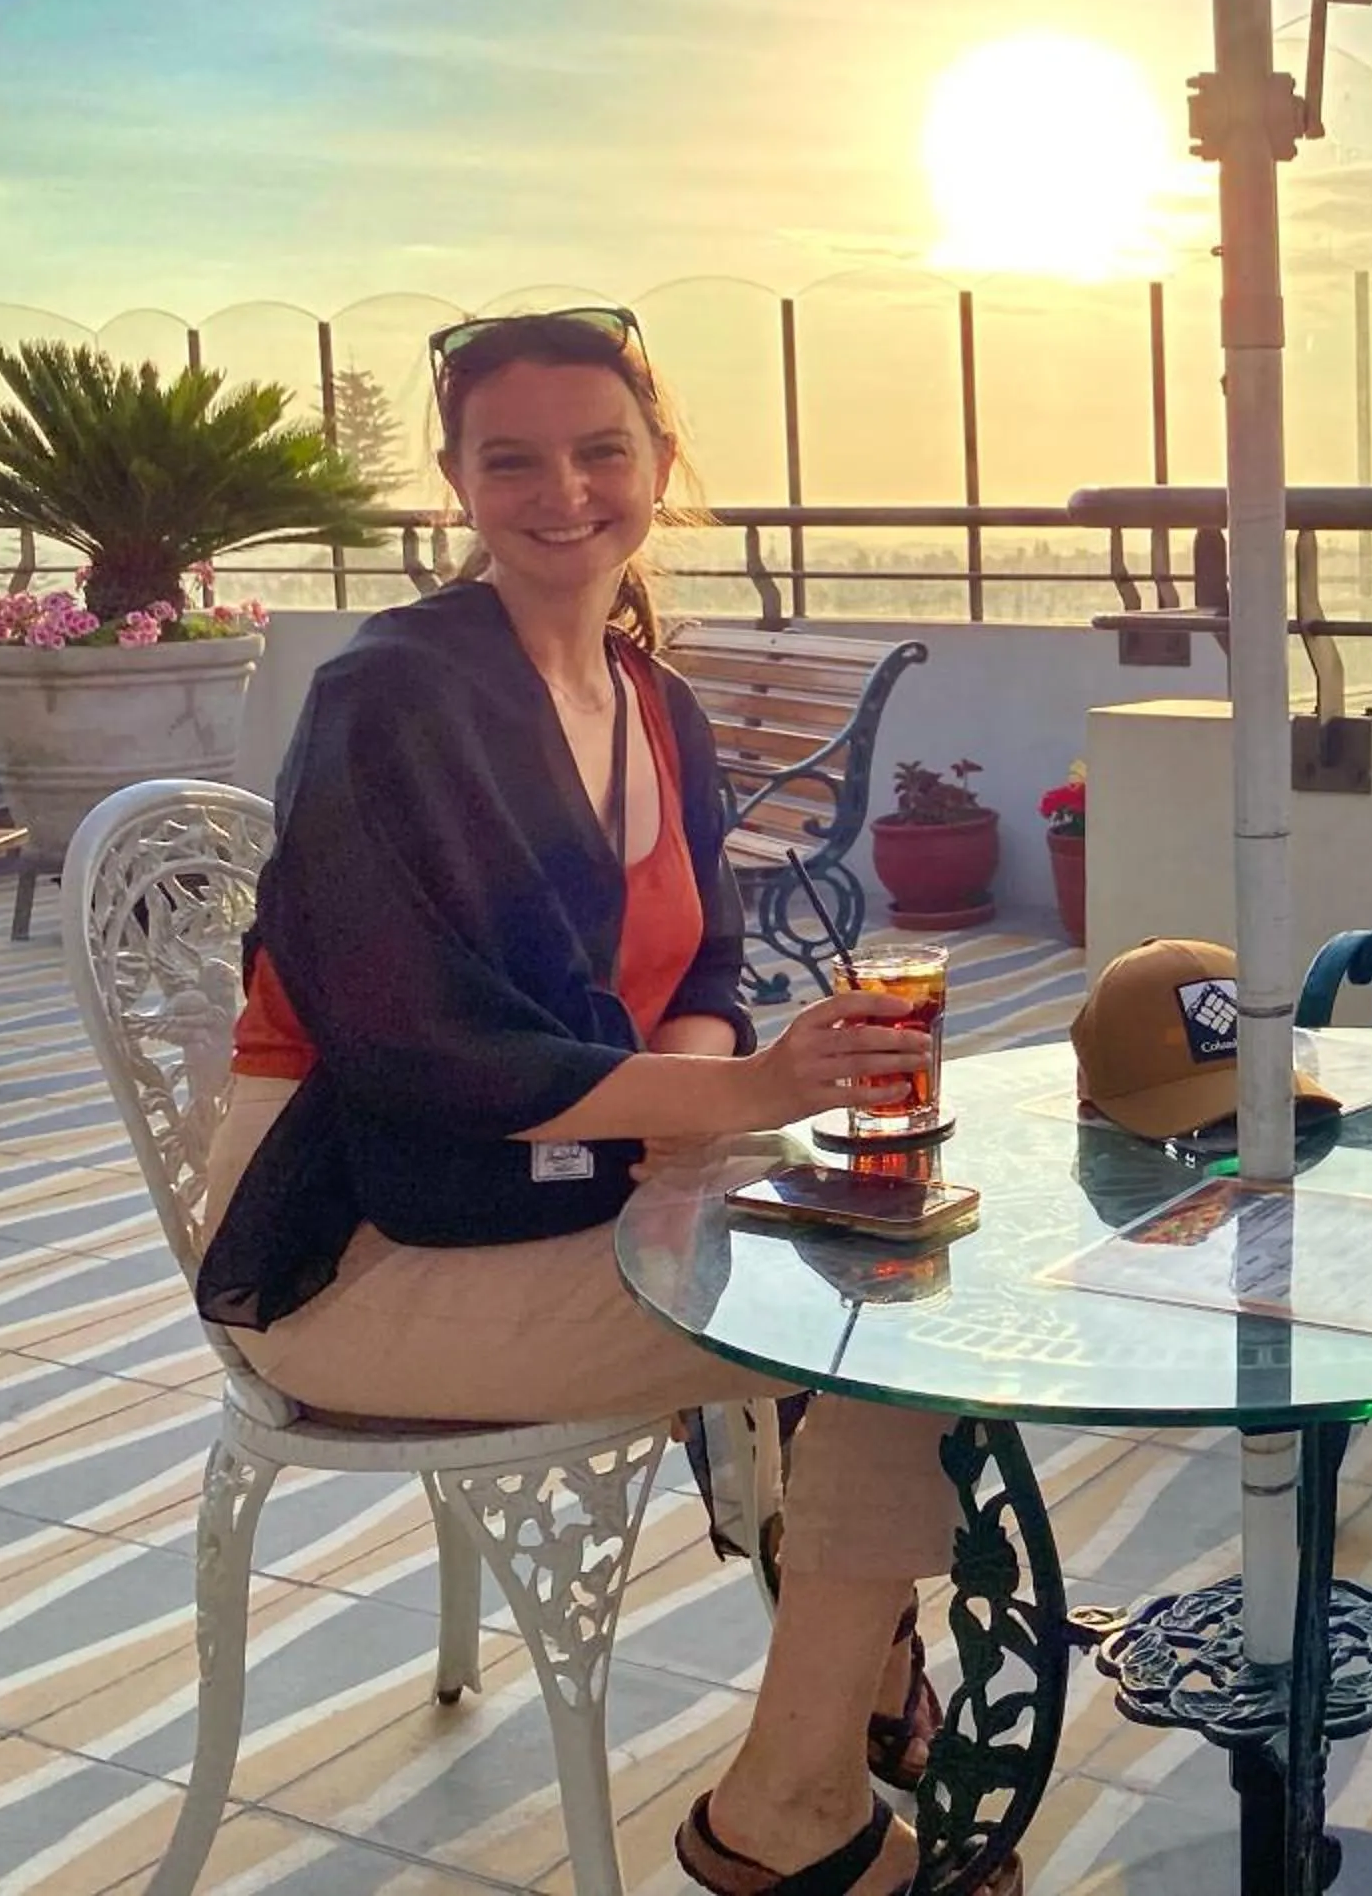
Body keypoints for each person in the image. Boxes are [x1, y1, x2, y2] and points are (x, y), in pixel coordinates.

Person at [192, 306, 999, 1896]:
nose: (562, 490)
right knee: (876, 1321)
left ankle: (841, 1707)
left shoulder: (656, 703)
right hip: (357, 1241)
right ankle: (795, 1801)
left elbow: (703, 961)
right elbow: (422, 1054)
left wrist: (721, 1115)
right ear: (455, 483)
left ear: (656, 466)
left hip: (570, 1185)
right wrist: (745, 1101)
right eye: (514, 459)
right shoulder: (395, 697)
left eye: (599, 450)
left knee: (898, 1237)